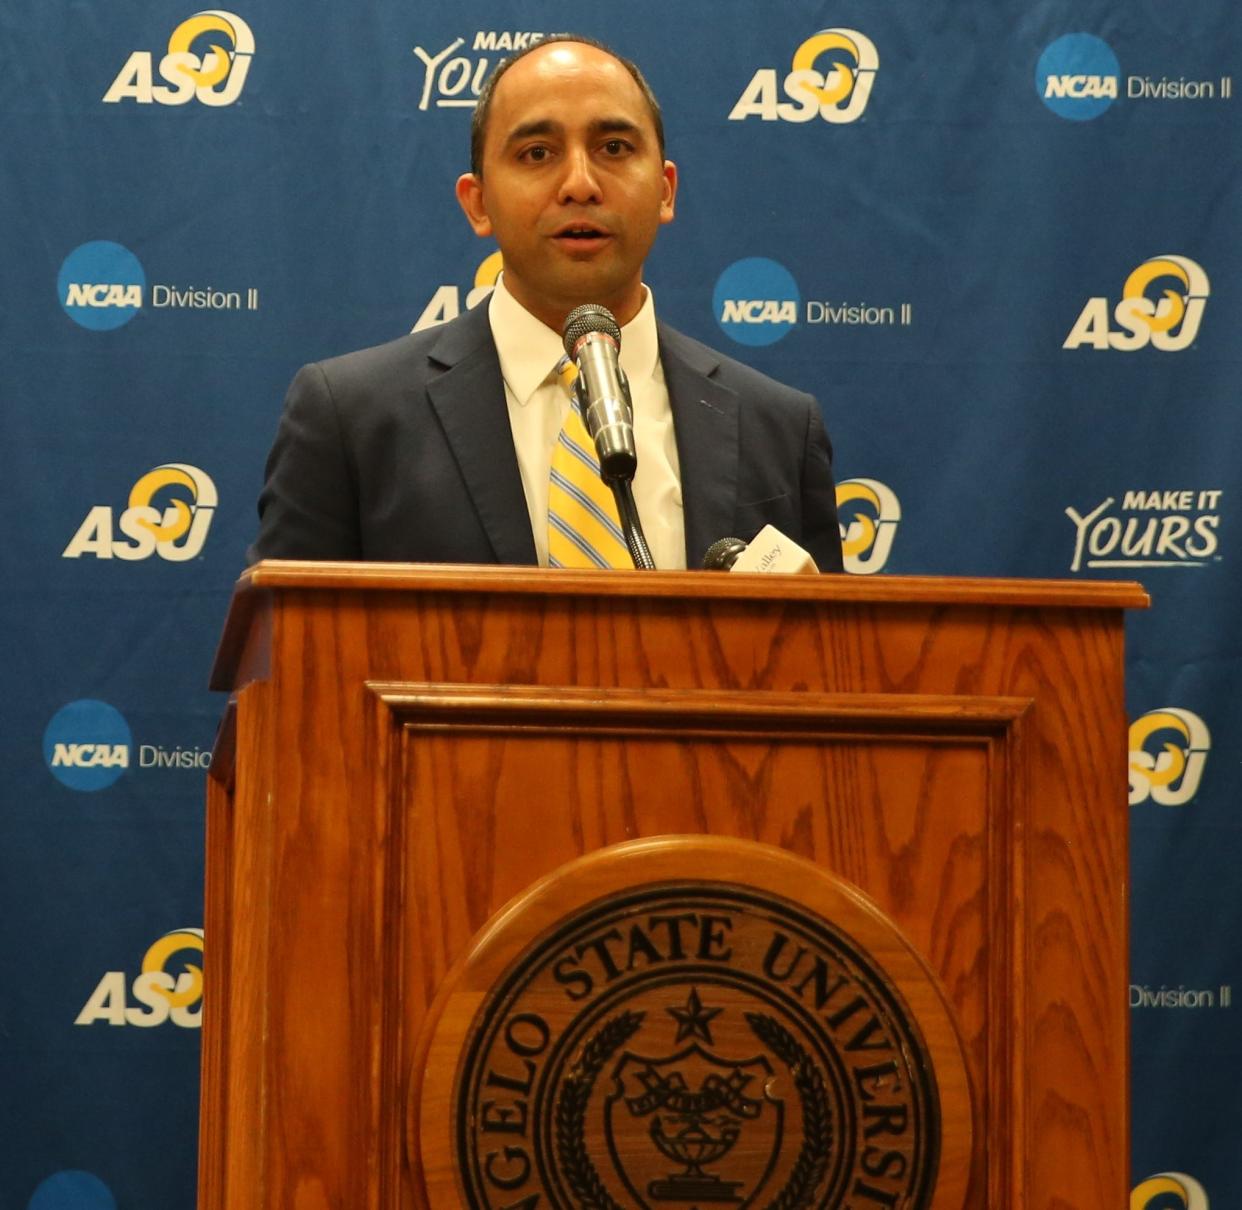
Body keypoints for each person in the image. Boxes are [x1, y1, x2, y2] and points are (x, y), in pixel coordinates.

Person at [249, 35, 843, 571]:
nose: (579, 183)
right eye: (537, 153)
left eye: (613, 147)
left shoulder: (780, 428)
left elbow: (827, 670)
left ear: (665, 191)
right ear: (477, 203)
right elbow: (289, 663)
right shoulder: (351, 418)